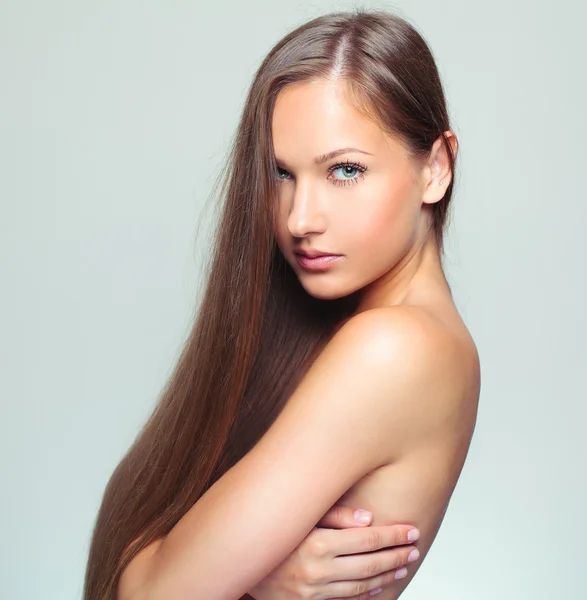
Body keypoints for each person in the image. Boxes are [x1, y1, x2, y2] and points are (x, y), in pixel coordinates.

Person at [83, 8, 480, 600]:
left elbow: (150, 594)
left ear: (436, 168)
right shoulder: (394, 337)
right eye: (281, 173)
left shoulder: (395, 347)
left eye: (345, 170)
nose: (299, 219)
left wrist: (252, 574)